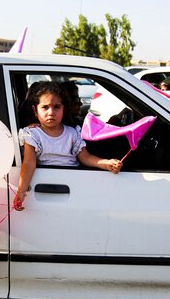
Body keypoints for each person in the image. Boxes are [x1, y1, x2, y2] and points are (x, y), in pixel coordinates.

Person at [13, 82, 123, 211]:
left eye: (56, 107)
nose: (51, 112)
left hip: (75, 187)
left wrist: (105, 163)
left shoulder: (73, 133)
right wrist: (21, 192)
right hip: (47, 190)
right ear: (35, 110)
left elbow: (85, 157)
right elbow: (29, 163)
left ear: (64, 109)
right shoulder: (32, 134)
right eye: (45, 107)